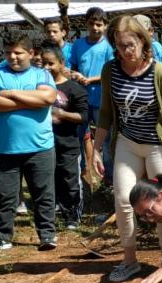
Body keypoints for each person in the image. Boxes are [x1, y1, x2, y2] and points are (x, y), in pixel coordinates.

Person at [94, 15, 162, 283]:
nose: (124, 52)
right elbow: (106, 113)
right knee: (123, 198)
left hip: (156, 146)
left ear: (143, 41)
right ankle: (129, 260)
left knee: (161, 204)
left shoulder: (160, 73)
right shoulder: (111, 70)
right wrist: (96, 149)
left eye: (129, 45)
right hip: (127, 143)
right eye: (119, 46)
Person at [0, 33, 58, 251]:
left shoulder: (41, 74)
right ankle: (3, 236)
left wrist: (12, 94)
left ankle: (47, 235)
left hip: (40, 147)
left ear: (31, 54)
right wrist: (31, 101)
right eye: (7, 52)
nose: (12, 57)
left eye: (18, 53)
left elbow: (48, 99)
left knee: (43, 194)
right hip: (4, 148)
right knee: (4, 196)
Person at [41, 44, 87, 230]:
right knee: (49, 180)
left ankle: (73, 216)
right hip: (44, 145)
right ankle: (52, 213)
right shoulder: (38, 88)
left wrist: (61, 113)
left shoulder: (73, 89)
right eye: (43, 63)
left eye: (50, 63)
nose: (46, 67)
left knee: (70, 180)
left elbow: (83, 117)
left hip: (68, 144)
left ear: (61, 63)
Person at [69, 7, 114, 185]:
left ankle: (109, 178)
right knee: (78, 138)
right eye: (91, 24)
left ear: (105, 25)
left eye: (99, 24)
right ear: (86, 24)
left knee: (107, 141)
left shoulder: (109, 46)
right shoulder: (78, 45)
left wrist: (91, 80)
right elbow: (72, 67)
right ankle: (80, 174)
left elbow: (111, 72)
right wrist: (76, 75)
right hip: (81, 100)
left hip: (102, 100)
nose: (95, 28)